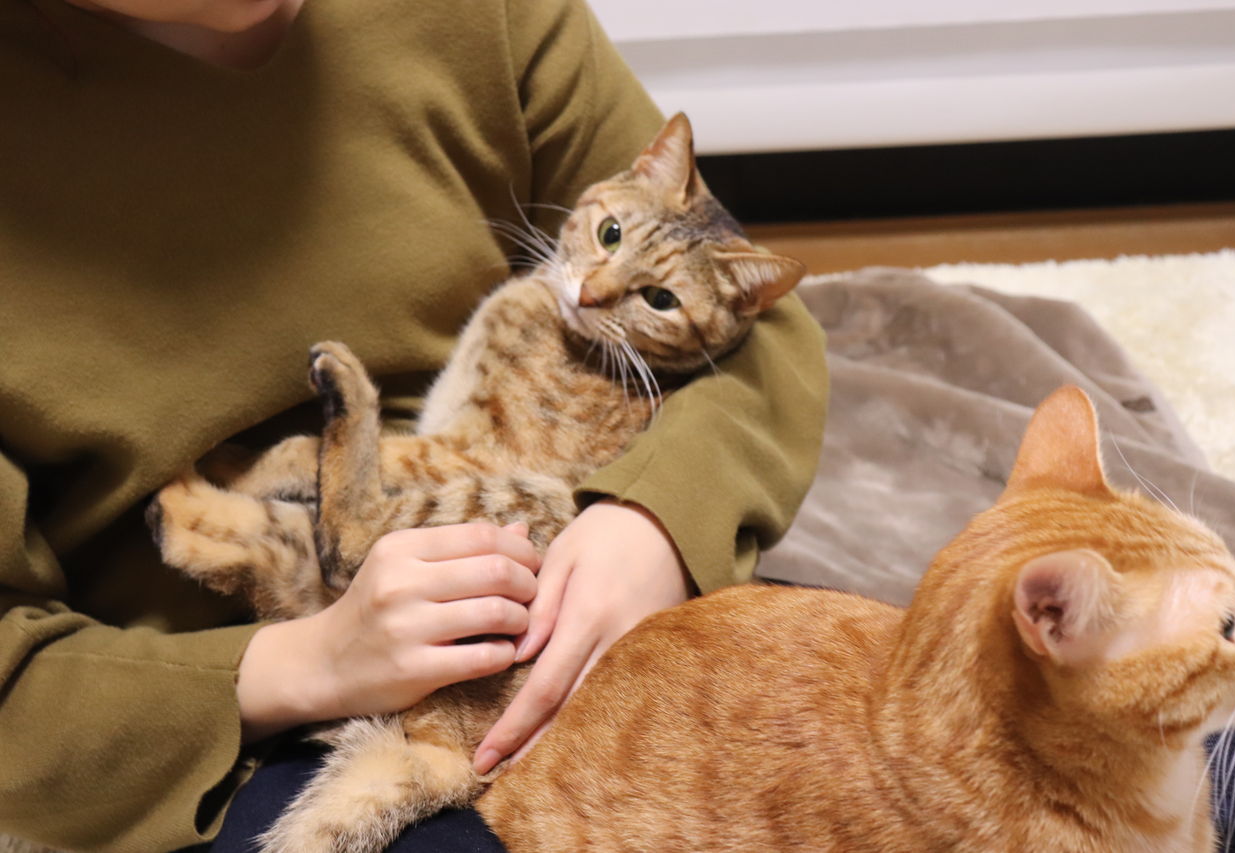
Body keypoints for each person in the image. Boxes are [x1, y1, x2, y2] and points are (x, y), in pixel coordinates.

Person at [0, 0, 829, 849]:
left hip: (542, 604)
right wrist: (317, 662)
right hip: (218, 709)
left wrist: (652, 525)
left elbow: (767, 335)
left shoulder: (488, 18)